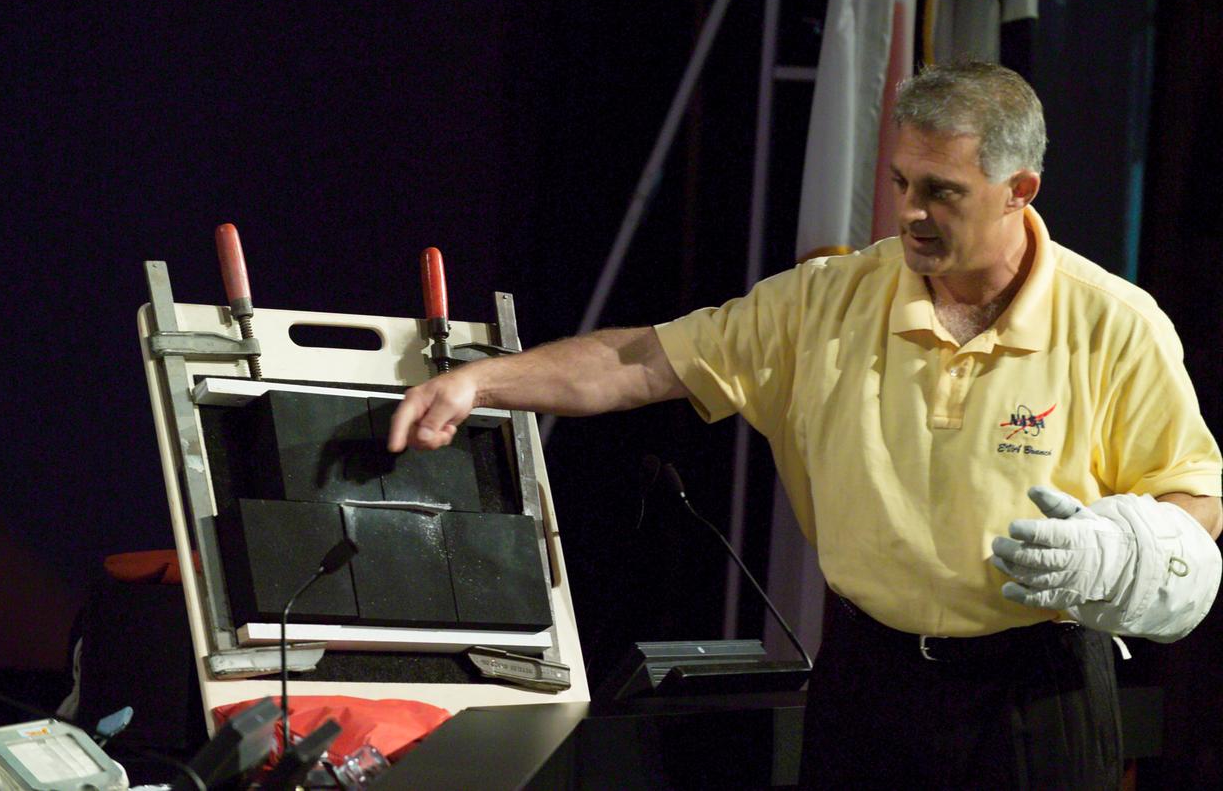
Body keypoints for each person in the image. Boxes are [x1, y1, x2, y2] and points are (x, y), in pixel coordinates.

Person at [387, 62, 1222, 789]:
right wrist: (482, 382)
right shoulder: (828, 300)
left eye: (943, 191)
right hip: (869, 682)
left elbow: (1197, 501)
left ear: (1020, 189)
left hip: (1037, 688)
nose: (911, 213)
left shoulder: (1114, 321)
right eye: (901, 182)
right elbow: (641, 360)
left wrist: (1116, 551)